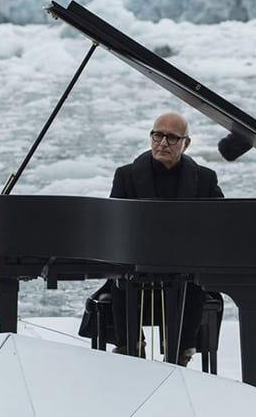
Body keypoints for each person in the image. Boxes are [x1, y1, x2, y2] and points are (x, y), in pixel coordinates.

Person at [79, 112, 224, 366]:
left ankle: (180, 354)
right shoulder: (125, 176)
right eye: (158, 135)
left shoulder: (204, 178)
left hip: (185, 275)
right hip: (137, 273)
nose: (163, 143)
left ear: (185, 143)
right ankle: (132, 351)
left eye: (171, 137)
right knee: (120, 280)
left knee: (196, 283)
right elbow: (115, 228)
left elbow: (221, 226)